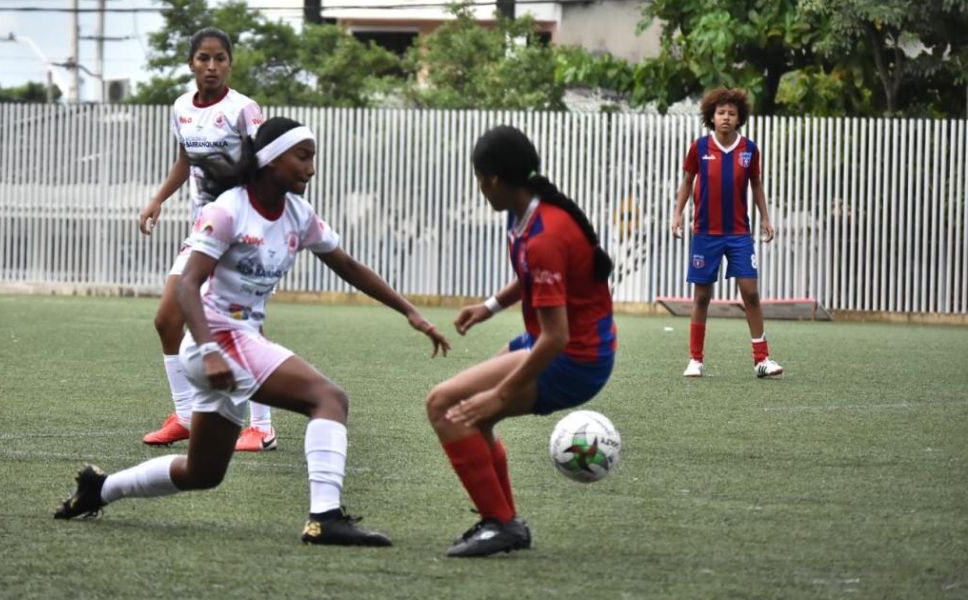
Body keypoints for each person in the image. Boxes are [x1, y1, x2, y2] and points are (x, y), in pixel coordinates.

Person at [56, 117, 452, 546]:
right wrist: (208, 349)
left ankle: (100, 488)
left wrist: (410, 311)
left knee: (202, 473)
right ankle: (325, 517)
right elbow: (188, 284)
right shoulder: (227, 210)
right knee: (330, 398)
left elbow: (349, 266)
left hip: (232, 346)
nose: (311, 168)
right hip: (218, 340)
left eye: (312, 157)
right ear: (269, 159)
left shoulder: (299, 215)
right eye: (303, 157)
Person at [425, 125, 617, 558]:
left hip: (574, 359)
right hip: (566, 345)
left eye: (478, 180)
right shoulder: (529, 211)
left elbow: (556, 337)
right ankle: (504, 520)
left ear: (492, 179)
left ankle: (501, 525)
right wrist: (489, 306)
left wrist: (501, 393)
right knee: (472, 416)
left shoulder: (546, 233)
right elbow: (531, 275)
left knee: (444, 406)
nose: (480, 189)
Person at [137, 28, 278, 452]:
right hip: (203, 230)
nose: (211, 66)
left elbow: (262, 164)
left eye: (219, 59)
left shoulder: (243, 109)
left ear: (230, 63)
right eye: (203, 58)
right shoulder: (181, 107)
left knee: (242, 323)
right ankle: (183, 416)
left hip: (239, 230)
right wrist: (158, 199)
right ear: (191, 64)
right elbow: (186, 158)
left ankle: (263, 427)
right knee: (166, 319)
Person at [670, 87, 783, 378]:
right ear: (711, 116)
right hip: (705, 233)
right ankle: (695, 360)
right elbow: (687, 181)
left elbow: (756, 185)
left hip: (739, 235)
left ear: (739, 118)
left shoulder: (749, 149)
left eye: (732, 113)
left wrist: (765, 219)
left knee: (751, 294)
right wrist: (678, 214)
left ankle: (762, 359)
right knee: (702, 297)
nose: (726, 117)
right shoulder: (699, 147)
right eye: (721, 112)